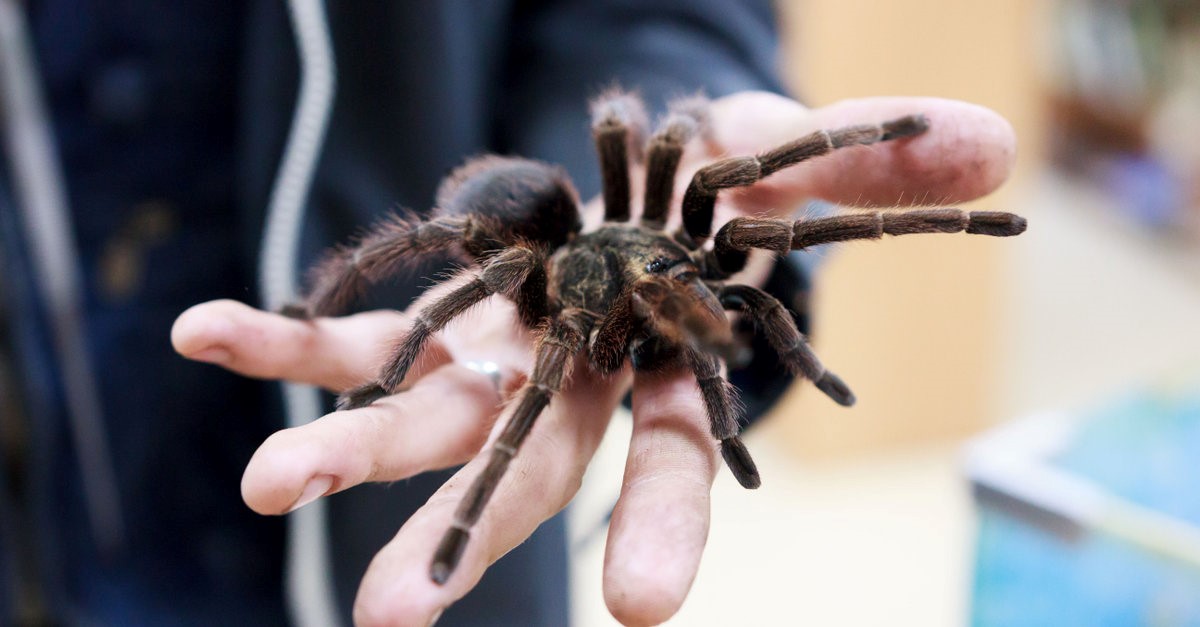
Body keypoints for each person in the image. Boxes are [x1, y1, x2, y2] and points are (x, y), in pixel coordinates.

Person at [0, 1, 1015, 625]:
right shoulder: (544, 293)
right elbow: (451, 272)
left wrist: (690, 115)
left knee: (770, 230)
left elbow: (645, 92)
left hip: (579, 213)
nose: (693, 297)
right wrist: (399, 358)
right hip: (62, 505)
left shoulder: (687, 236)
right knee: (458, 278)